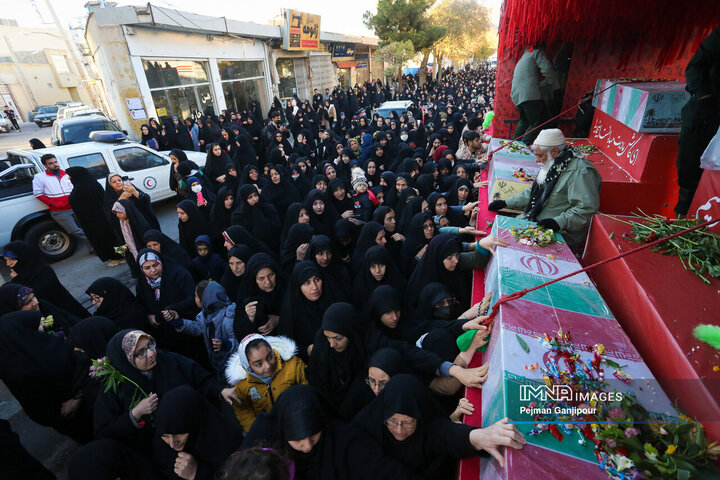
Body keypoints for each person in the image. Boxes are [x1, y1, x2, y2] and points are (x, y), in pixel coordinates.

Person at [353, 375, 526, 479]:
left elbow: (447, 435)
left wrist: (480, 437)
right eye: (391, 422)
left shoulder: (427, 428)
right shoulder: (363, 429)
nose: (399, 430)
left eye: (407, 422)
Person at [93, 329, 236, 450]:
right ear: (126, 360)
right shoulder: (115, 386)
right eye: (141, 353)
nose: (150, 354)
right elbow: (104, 431)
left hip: (196, 432)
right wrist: (135, 414)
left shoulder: (167, 360)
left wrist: (220, 390)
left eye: (150, 345)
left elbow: (199, 378)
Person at [242, 385, 417, 480]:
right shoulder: (263, 440)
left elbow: (385, 471)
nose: (308, 447)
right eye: (297, 441)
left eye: (313, 436)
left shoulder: (346, 440)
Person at [487, 128, 602, 250]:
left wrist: (558, 222)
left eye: (539, 155)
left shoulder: (580, 172)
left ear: (554, 151)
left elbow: (586, 209)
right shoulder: (553, 162)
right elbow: (534, 194)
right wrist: (506, 202)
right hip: (535, 221)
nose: (536, 160)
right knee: (495, 238)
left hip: (559, 234)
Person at [0, 311, 93, 444]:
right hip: (88, 413)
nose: (42, 328)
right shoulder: (50, 353)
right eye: (35, 327)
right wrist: (78, 397)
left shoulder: (11, 366)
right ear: (22, 333)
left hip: (69, 423)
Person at [675, 25, 720, 216]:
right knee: (690, 171)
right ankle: (682, 221)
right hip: (706, 112)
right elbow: (695, 66)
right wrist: (703, 96)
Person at [152, 385, 243, 479]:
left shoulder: (227, 441)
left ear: (194, 422)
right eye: (165, 436)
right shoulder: (161, 445)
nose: (172, 444)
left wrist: (196, 473)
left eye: (179, 434)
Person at [225, 333, 308, 432]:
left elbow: (306, 393)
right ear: (247, 366)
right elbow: (243, 409)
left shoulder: (294, 365)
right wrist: (256, 430)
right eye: (259, 364)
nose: (268, 366)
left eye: (270, 357)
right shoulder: (242, 384)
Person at [168, 281, 238, 380]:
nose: (194, 299)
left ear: (205, 299)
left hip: (233, 365)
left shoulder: (229, 317)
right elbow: (198, 327)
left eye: (196, 296)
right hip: (217, 363)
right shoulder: (204, 315)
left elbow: (240, 342)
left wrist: (227, 345)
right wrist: (179, 322)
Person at [2, 240, 90, 318]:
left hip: (67, 316)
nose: (8, 264)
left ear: (24, 258)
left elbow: (36, 297)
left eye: (11, 260)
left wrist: (17, 280)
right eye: (6, 260)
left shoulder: (44, 272)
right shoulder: (22, 276)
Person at [67, 166, 123, 265]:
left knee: (110, 239)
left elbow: (75, 199)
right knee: (111, 238)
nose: (69, 178)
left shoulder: (82, 188)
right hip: (100, 218)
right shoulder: (90, 183)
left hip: (97, 220)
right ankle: (119, 255)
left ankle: (119, 256)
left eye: (70, 176)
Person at [32, 153, 89, 249]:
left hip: (75, 206)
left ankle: (93, 248)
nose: (55, 164)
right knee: (74, 230)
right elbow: (38, 193)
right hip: (59, 211)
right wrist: (53, 203)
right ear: (45, 166)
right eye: (51, 163)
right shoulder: (39, 177)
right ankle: (94, 242)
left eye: (55, 162)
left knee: (85, 226)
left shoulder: (67, 174)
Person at [510, 47, 560, 145]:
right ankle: (522, 146)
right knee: (536, 123)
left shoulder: (525, 55)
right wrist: (556, 87)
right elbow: (547, 70)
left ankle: (512, 146)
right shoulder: (537, 53)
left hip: (517, 95)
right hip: (529, 95)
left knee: (524, 121)